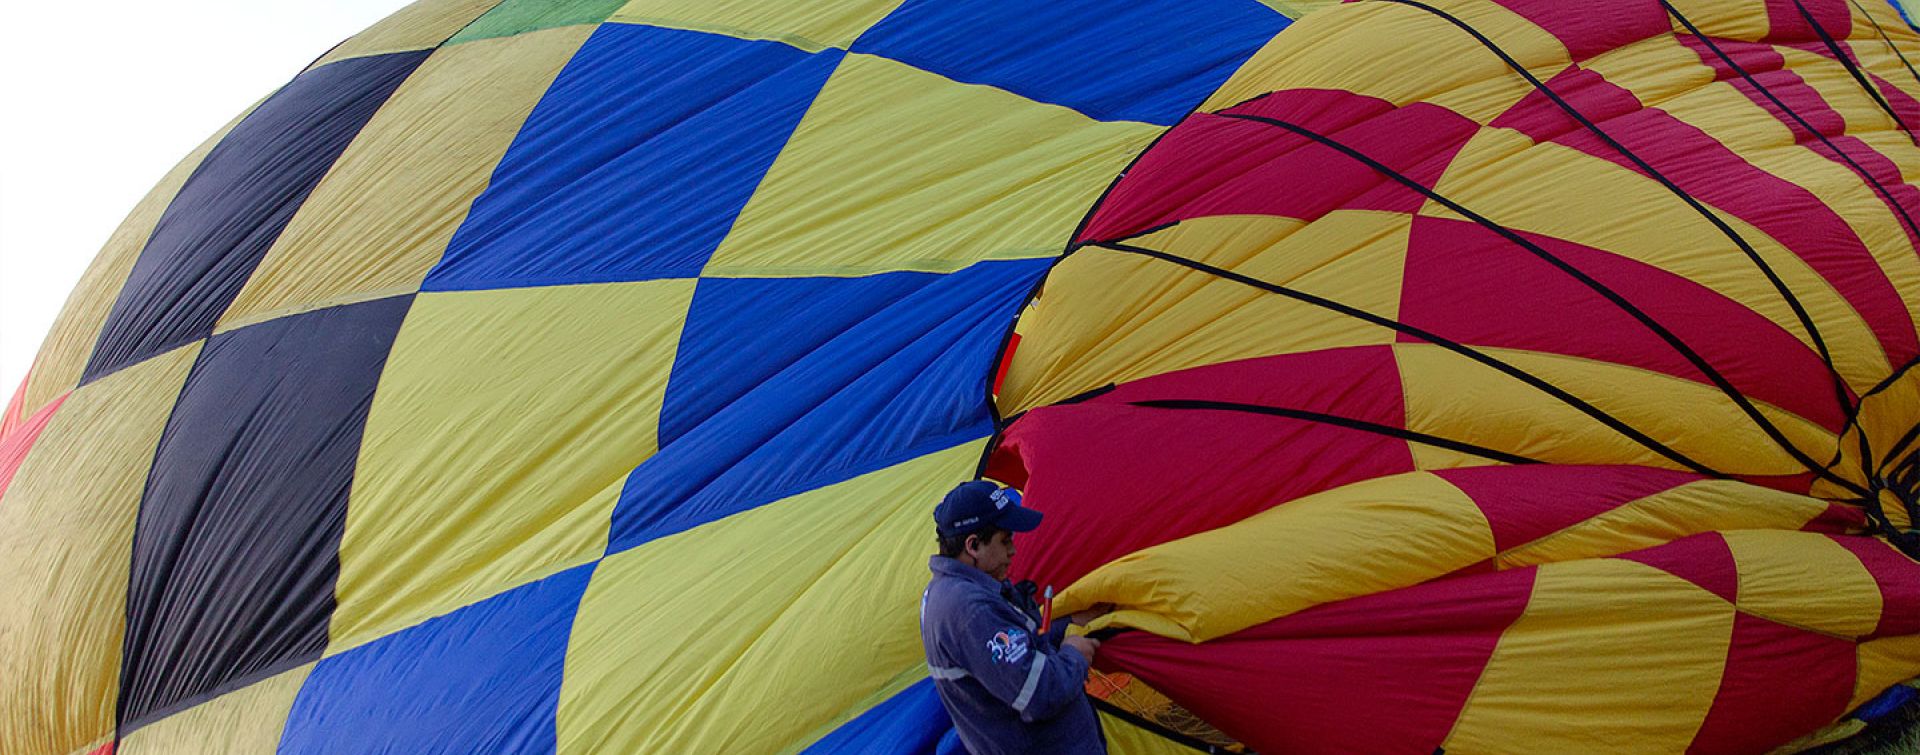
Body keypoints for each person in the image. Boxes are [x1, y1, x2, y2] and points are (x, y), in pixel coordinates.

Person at [921, 480, 1109, 754]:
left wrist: (1069, 624)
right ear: (973, 546)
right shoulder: (970, 611)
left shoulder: (956, 590)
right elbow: (1040, 694)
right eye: (1005, 540)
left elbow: (1021, 648)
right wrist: (1074, 654)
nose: (1013, 551)